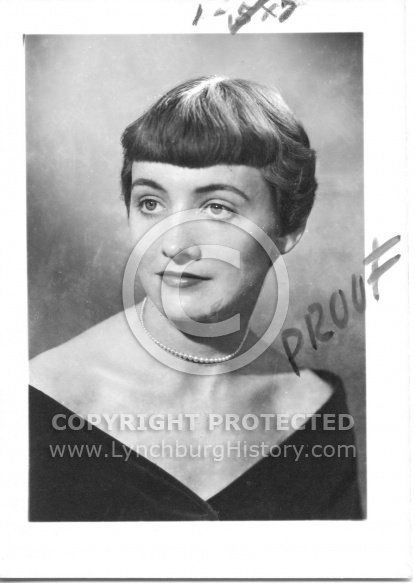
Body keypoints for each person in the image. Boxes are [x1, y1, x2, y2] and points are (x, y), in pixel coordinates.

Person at [29, 76, 362, 521]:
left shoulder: (313, 408)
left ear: (288, 228)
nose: (173, 244)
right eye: (151, 203)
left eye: (217, 207)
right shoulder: (37, 400)